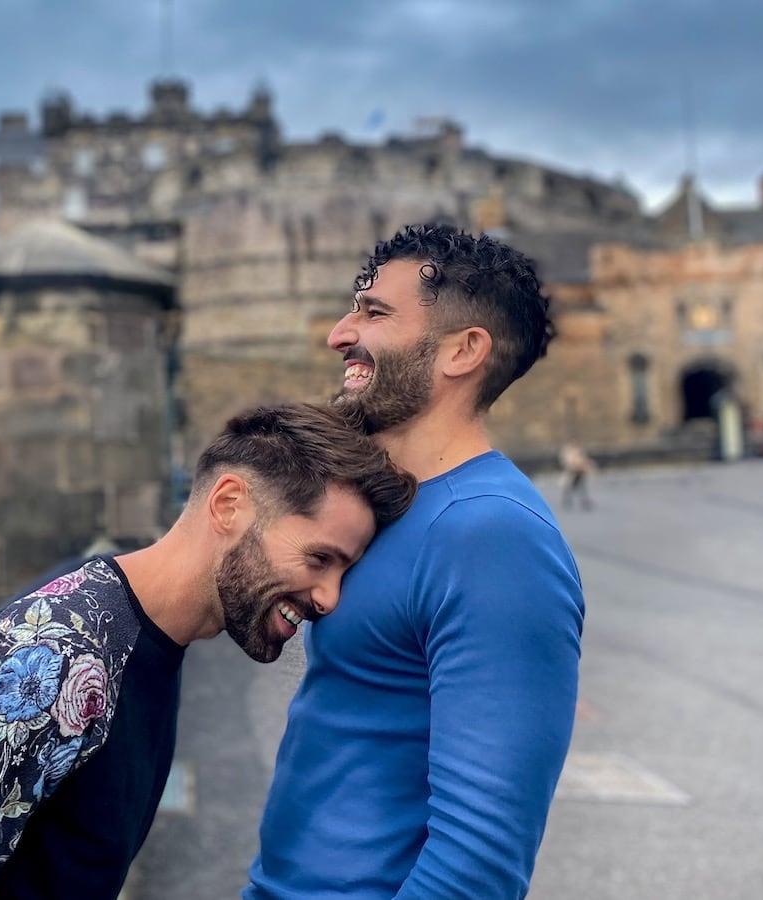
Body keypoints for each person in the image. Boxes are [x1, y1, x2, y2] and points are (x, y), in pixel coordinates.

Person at [0, 403, 417, 900]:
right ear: (229, 504)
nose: (330, 598)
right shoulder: (53, 657)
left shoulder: (151, 638)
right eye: (320, 559)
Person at [248, 224, 586, 899]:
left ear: (463, 351)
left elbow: (480, 862)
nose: (340, 333)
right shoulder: (387, 509)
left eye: (373, 313)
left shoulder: (492, 536)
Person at [558, 439, 597, 511]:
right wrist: (574, 466)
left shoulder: (579, 451)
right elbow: (568, 462)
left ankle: (581, 501)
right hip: (572, 472)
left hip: (579, 472)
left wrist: (584, 467)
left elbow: (583, 461)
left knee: (580, 487)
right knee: (571, 487)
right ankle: (568, 501)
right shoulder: (568, 452)